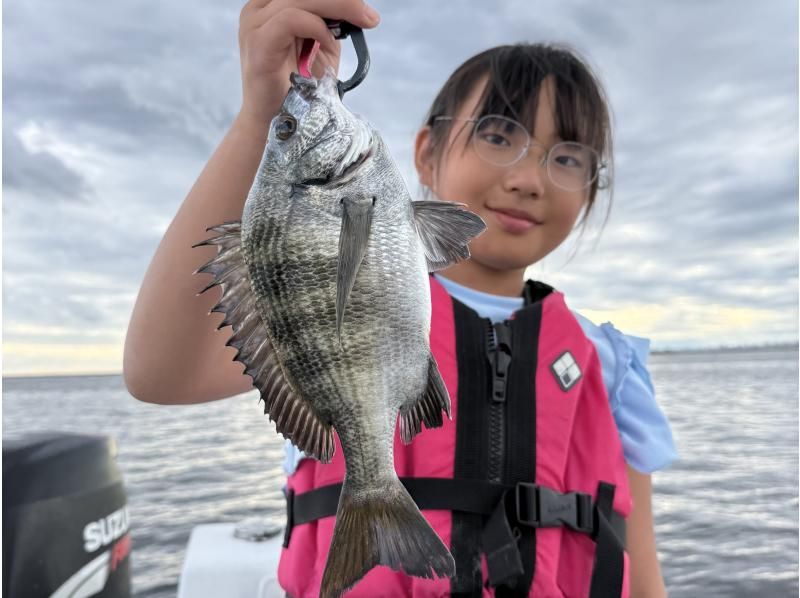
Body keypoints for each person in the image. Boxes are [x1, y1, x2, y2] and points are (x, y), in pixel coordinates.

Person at [123, 1, 677, 596]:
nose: (528, 177)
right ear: (425, 154)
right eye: (498, 134)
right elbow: (158, 375)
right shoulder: (330, 287)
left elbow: (637, 568)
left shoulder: (611, 365)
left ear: (591, 191)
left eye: (567, 157)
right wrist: (263, 118)